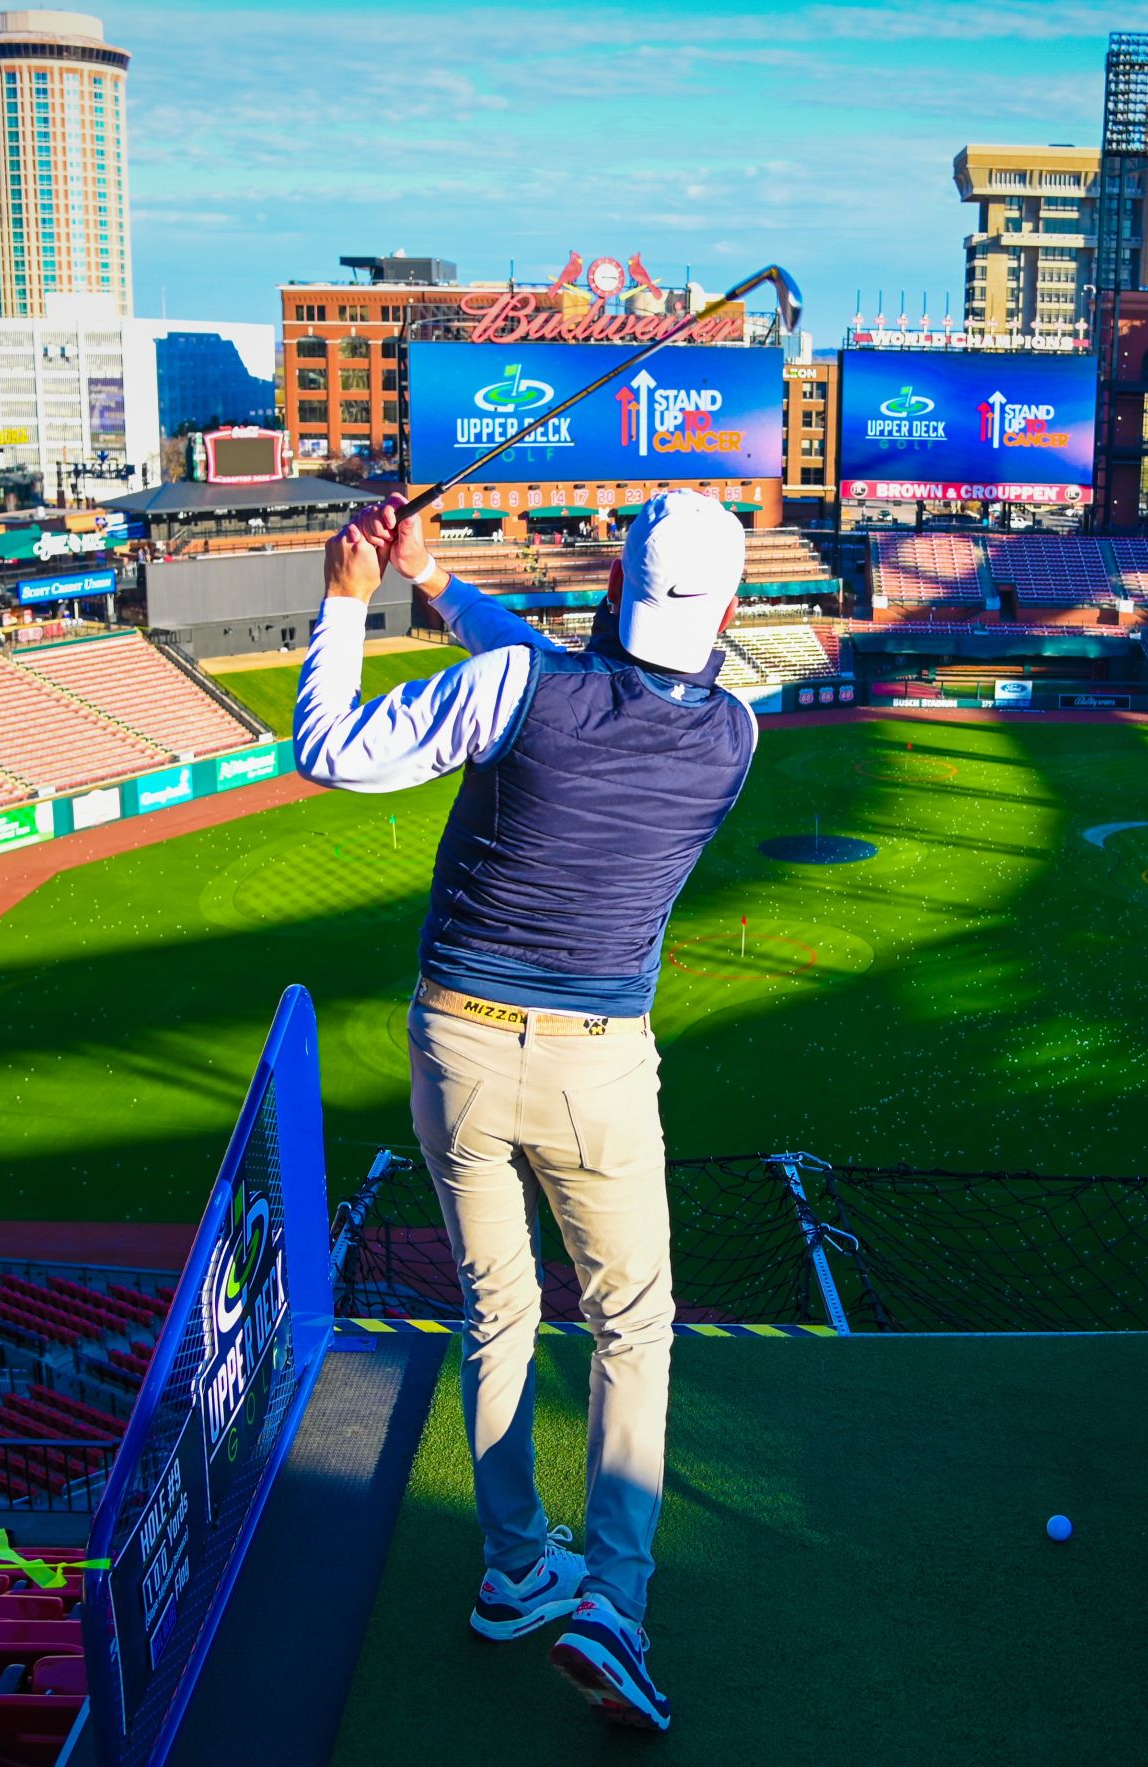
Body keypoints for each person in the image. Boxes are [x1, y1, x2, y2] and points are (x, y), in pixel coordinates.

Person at [293, 488, 757, 1733]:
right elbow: (556, 674)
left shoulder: (519, 693)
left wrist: (350, 599)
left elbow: (334, 750)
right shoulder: (735, 734)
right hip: (599, 1065)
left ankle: (512, 1568)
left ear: (613, 583)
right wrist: (437, 587)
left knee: (498, 1309)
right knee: (631, 1327)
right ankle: (612, 1599)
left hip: (458, 1046)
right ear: (726, 611)